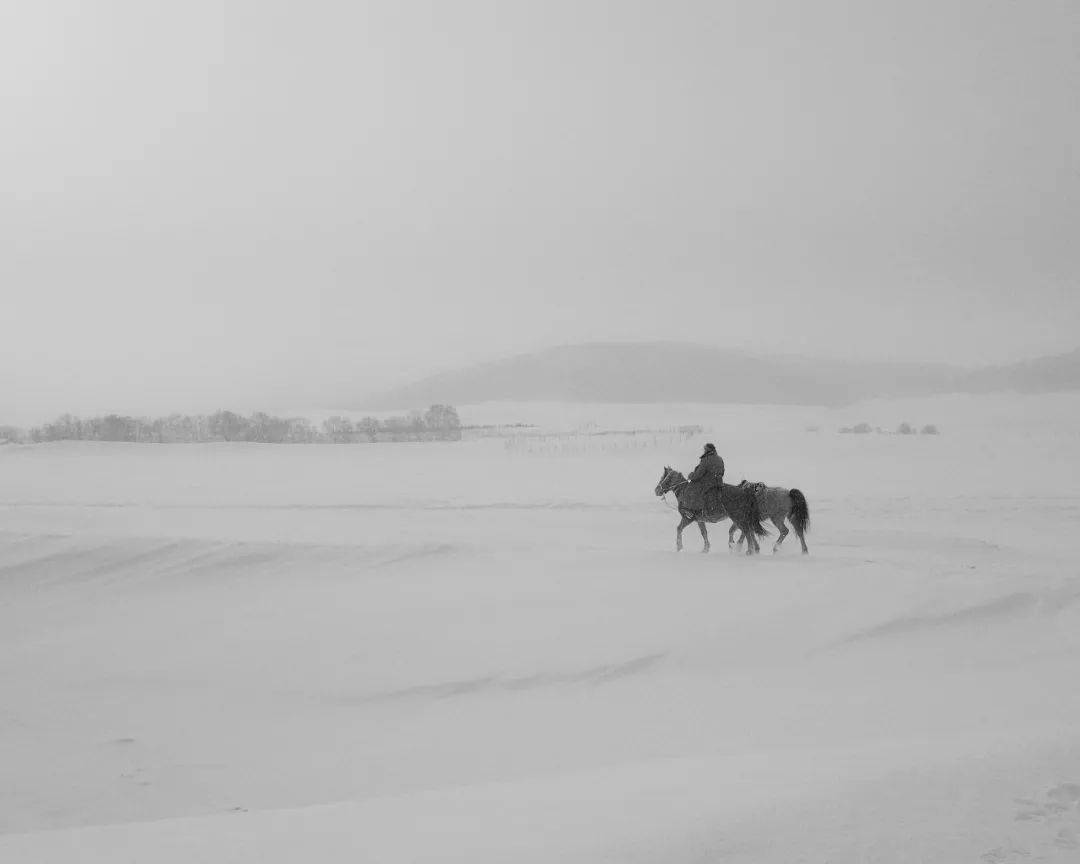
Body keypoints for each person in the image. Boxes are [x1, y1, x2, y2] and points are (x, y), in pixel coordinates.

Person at [688, 442, 725, 517]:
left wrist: (691, 476)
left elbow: (698, 474)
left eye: (705, 449)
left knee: (694, 491)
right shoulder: (720, 458)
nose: (704, 451)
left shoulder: (706, 459)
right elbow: (722, 471)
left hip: (708, 484)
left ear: (708, 450)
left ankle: (693, 512)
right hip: (719, 483)